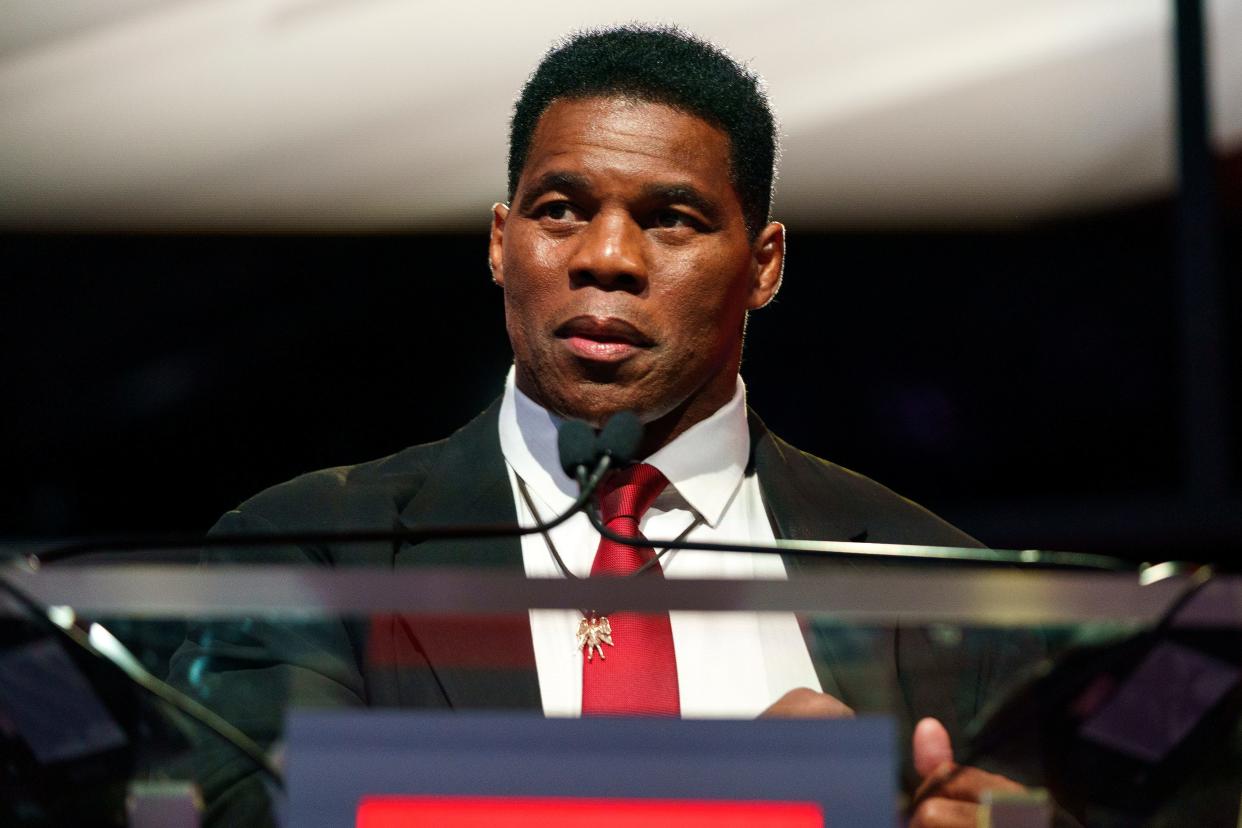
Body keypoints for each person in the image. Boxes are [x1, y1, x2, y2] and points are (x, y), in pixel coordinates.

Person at [170, 25, 1041, 827]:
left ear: (765, 265)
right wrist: (732, 804)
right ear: (501, 244)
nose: (607, 257)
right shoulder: (311, 553)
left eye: (671, 219)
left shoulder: (942, 589)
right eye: (560, 210)